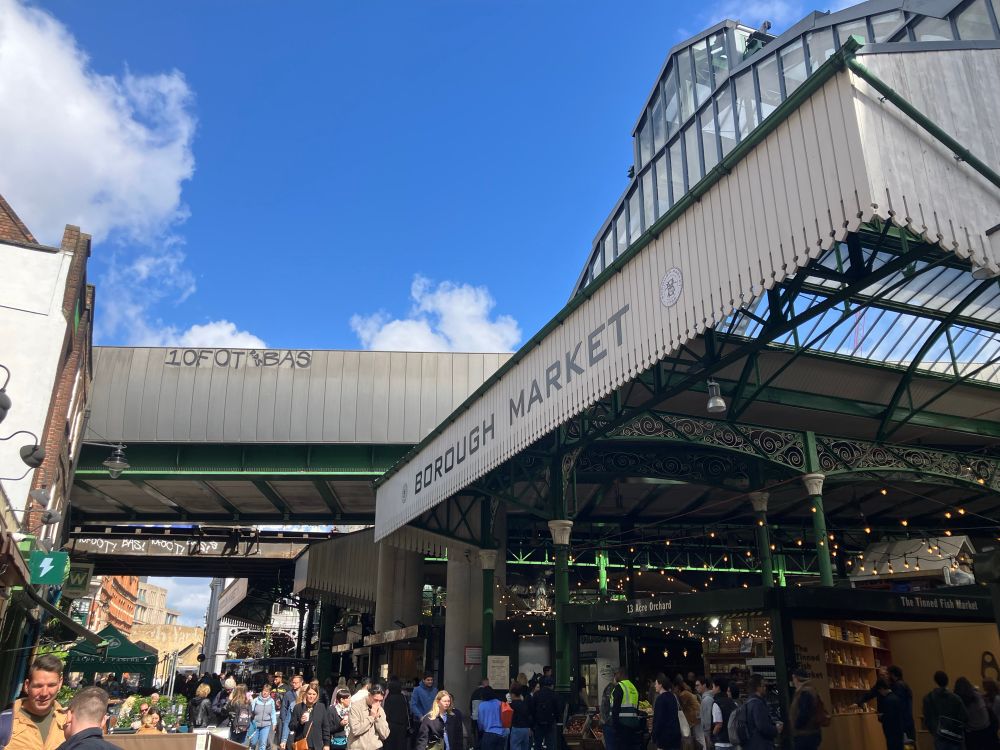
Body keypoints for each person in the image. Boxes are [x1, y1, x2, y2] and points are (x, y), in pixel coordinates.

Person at [9, 654, 68, 750]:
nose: (44, 693)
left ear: (60, 683)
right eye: (38, 686)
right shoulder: (6, 722)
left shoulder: (68, 723)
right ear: (27, 685)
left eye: (51, 685)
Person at [922, 671, 967, 750]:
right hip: (954, 735)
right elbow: (964, 717)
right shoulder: (955, 698)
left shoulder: (928, 699)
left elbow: (927, 719)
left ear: (935, 681)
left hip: (939, 735)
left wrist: (933, 730)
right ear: (947, 681)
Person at [954, 677, 997, 750]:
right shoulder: (977, 695)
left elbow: (963, 718)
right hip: (986, 728)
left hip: (972, 732)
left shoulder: (959, 701)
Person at [788, 668, 824, 750]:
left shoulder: (805, 692)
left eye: (793, 678)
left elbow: (804, 712)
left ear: (797, 678)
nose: (793, 681)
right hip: (811, 733)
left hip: (805, 734)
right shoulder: (810, 690)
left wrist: (796, 725)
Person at [288, 684, 333, 750]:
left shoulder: (321, 707)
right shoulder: (298, 707)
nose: (311, 696)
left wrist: (326, 744)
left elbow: (325, 727)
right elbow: (291, 726)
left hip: (317, 745)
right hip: (302, 745)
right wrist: (300, 722)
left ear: (317, 695)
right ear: (306, 694)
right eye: (309, 694)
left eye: (314, 694)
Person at [742, 675, 781, 750]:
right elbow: (762, 726)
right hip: (760, 745)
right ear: (758, 687)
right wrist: (776, 729)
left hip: (751, 744)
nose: (765, 688)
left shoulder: (748, 702)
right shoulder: (757, 704)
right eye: (763, 686)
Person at [348, 684, 389, 750]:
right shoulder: (356, 707)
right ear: (369, 695)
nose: (378, 703)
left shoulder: (380, 710)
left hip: (375, 747)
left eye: (380, 701)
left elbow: (385, 734)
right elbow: (355, 730)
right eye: (375, 700)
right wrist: (371, 718)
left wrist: (377, 719)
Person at [609, 670, 641, 750]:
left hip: (621, 725)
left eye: (616, 674)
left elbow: (615, 708)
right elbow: (636, 708)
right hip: (633, 724)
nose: (615, 677)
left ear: (620, 675)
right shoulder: (633, 688)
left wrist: (614, 726)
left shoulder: (619, 687)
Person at [651, 673, 681, 750]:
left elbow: (658, 719)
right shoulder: (672, 697)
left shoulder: (660, 699)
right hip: (675, 735)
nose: (655, 686)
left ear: (661, 684)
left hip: (664, 737)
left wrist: (654, 736)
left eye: (656, 684)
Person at [888, 666, 916, 744]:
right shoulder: (905, 685)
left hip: (902, 722)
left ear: (892, 675)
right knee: (910, 744)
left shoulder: (898, 686)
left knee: (904, 744)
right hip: (908, 720)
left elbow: (898, 704)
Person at [874, 680, 905, 750]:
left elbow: (889, 718)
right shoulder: (897, 698)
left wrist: (881, 716)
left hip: (891, 732)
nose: (880, 693)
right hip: (899, 729)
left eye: (879, 691)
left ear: (882, 689)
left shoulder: (887, 700)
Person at [532, 677, 561, 750]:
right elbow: (557, 709)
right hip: (550, 723)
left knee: (538, 744)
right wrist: (557, 719)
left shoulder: (536, 694)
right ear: (552, 685)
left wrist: (534, 721)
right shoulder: (554, 695)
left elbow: (532, 709)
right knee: (551, 744)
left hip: (539, 723)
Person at [672, 677, 699, 748]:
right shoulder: (685, 692)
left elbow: (680, 707)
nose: (673, 690)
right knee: (695, 737)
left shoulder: (683, 694)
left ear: (677, 687)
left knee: (695, 738)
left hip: (693, 717)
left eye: (674, 688)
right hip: (694, 717)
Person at [709, 678, 736, 750]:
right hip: (733, 741)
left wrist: (712, 735)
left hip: (721, 743)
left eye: (713, 686)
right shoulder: (733, 702)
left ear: (718, 688)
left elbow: (718, 725)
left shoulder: (716, 703)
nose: (712, 689)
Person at [250, 684, 279, 750]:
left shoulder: (271, 701)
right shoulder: (256, 700)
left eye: (267, 691)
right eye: (264, 690)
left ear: (269, 692)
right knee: (253, 742)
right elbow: (251, 711)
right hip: (255, 724)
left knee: (263, 743)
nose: (264, 692)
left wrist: (274, 723)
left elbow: (273, 713)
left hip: (266, 725)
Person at [382, 680, 409, 750]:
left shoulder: (389, 698)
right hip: (402, 726)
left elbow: (386, 712)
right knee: (400, 745)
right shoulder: (403, 697)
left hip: (390, 726)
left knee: (390, 745)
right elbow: (407, 711)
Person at [281, 675, 306, 747]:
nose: (294, 684)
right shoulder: (288, 694)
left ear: (301, 682)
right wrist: (284, 722)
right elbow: (284, 709)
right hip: (292, 727)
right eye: (293, 682)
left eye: (296, 683)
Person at [509, 685, 533, 750]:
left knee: (515, 747)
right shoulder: (525, 704)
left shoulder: (511, 705)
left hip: (516, 728)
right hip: (526, 729)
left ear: (513, 694)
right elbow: (529, 716)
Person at [694, 677, 713, 750]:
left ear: (704, 685)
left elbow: (708, 720)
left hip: (709, 733)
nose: (696, 687)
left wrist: (707, 736)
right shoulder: (706, 698)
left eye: (698, 685)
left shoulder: (706, 699)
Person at [470, 678, 491, 744]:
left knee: (477, 739)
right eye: (488, 683)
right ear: (484, 683)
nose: (489, 685)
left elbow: (470, 706)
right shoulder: (486, 693)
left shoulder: (474, 693)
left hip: (475, 719)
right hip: (484, 720)